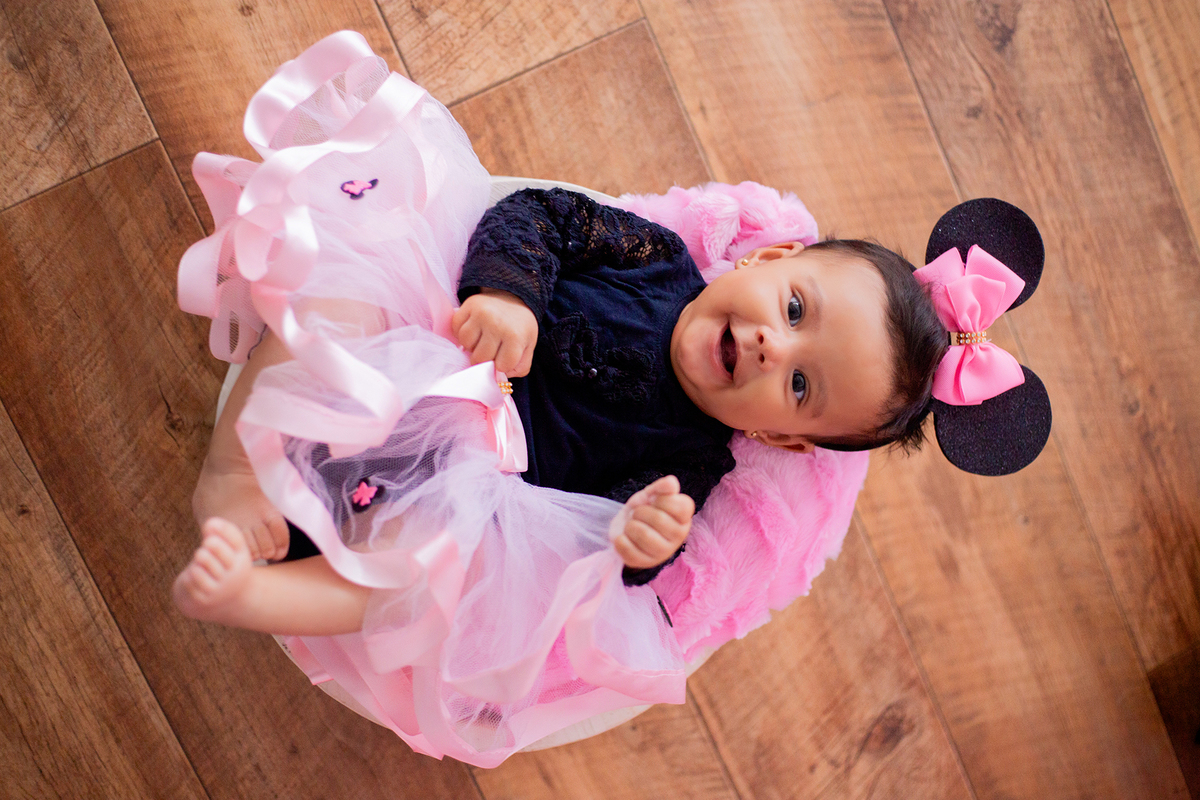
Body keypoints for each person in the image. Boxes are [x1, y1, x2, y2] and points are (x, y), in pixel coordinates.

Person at [169, 31, 954, 765]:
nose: (768, 346)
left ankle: (262, 592)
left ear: (782, 440)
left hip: (467, 483)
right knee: (339, 295)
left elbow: (592, 553)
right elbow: (540, 213)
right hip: (439, 336)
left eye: (799, 385)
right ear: (774, 256)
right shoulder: (656, 259)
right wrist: (508, 295)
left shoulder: (691, 460)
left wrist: (634, 536)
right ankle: (235, 476)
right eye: (793, 309)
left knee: (425, 579)